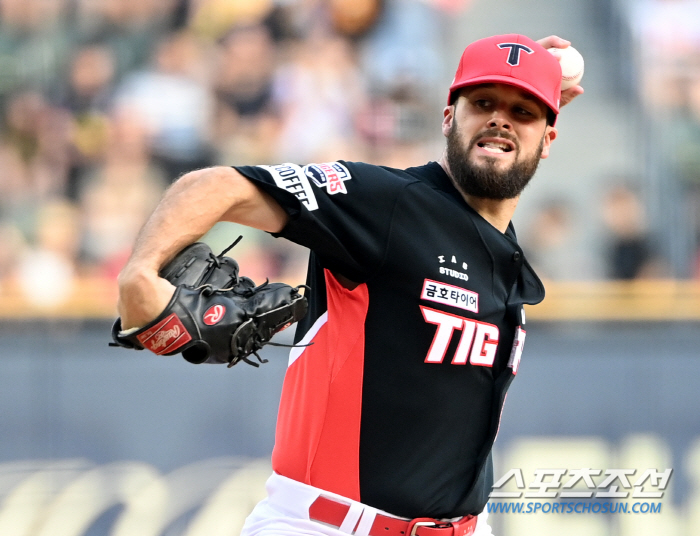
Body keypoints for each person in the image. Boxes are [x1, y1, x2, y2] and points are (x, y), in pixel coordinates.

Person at [117, 33, 583, 536]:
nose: (499, 119)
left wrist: (543, 80)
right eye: (483, 103)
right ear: (449, 117)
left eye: (523, 111)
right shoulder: (388, 204)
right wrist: (139, 275)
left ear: (549, 139)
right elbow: (214, 187)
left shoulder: (501, 248)